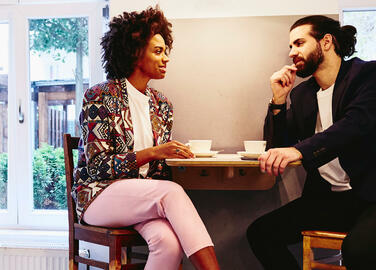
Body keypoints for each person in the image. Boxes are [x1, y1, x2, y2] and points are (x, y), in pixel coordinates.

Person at [72, 6, 220, 270]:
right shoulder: (99, 96)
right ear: (135, 52)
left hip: (140, 199)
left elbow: (158, 175)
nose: (166, 59)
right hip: (97, 196)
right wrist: (154, 152)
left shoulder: (162, 105)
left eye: (166, 51)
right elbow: (97, 167)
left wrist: (177, 158)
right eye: (158, 51)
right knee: (171, 193)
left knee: (169, 243)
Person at [246, 15, 376, 270]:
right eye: (291, 47)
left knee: (358, 251)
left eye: (299, 43)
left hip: (370, 197)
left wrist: (299, 150)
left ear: (326, 42)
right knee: (261, 233)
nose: (293, 52)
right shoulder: (302, 94)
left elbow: (353, 126)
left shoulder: (367, 75)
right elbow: (278, 147)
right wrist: (279, 102)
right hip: (328, 200)